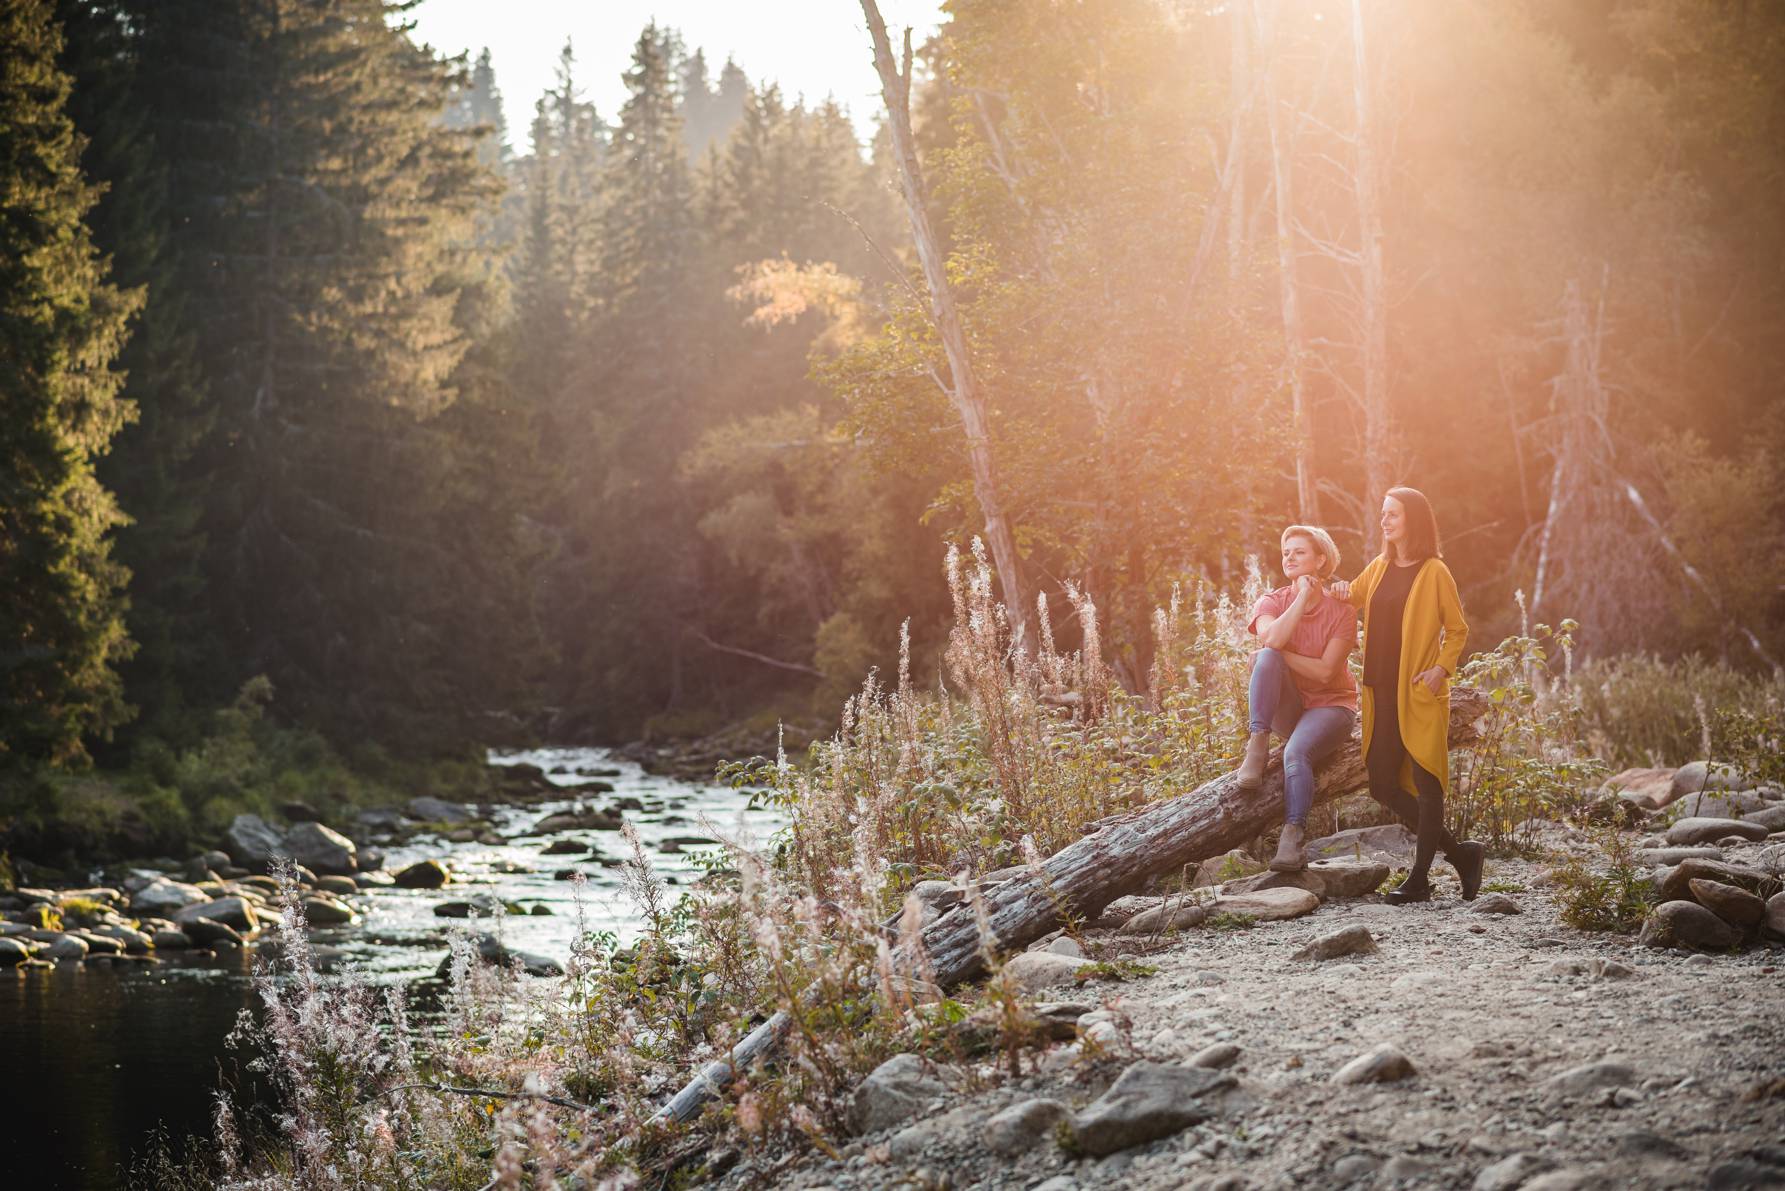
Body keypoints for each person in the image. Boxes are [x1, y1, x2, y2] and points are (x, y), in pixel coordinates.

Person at [1330, 487, 1483, 903]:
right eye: (1383, 513)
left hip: (1418, 690)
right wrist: (1321, 584)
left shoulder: (1435, 571)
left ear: (1413, 519)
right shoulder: (1379, 566)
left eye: (1392, 514)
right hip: (1380, 688)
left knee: (1426, 782)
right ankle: (1461, 854)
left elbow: (1458, 629)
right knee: (1381, 783)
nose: (1384, 520)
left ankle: (1419, 879)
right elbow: (1352, 593)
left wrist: (1441, 669)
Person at [1236, 525, 1359, 872]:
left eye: (1299, 552)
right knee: (1268, 655)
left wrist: (1269, 654)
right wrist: (1301, 598)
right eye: (1286, 551)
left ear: (1321, 560)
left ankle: (1292, 840)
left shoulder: (1342, 610)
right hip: (1289, 708)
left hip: (1331, 707)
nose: (1289, 557)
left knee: (1295, 751)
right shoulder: (1272, 600)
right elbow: (1271, 637)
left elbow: (1324, 672)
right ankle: (1256, 745)